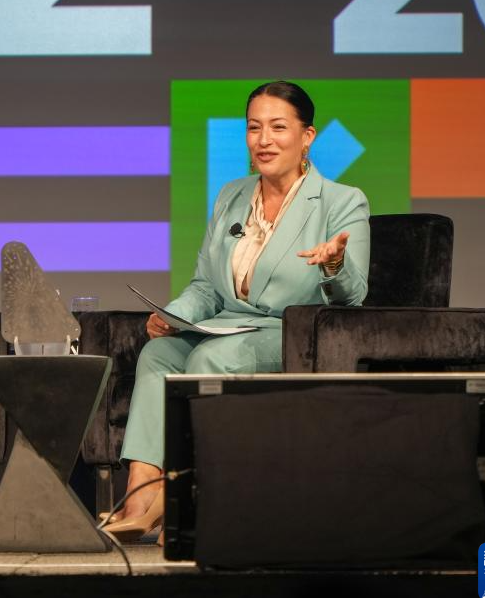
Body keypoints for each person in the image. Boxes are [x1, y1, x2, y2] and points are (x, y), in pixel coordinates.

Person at [103, 81, 370, 542]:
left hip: (290, 334)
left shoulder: (342, 201)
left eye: (278, 127)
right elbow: (207, 286)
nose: (264, 140)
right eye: (254, 128)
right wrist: (173, 315)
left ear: (307, 136)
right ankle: (138, 495)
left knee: (210, 359)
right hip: (226, 328)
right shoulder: (232, 195)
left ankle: (182, 499)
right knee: (158, 355)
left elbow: (353, 298)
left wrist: (334, 265)